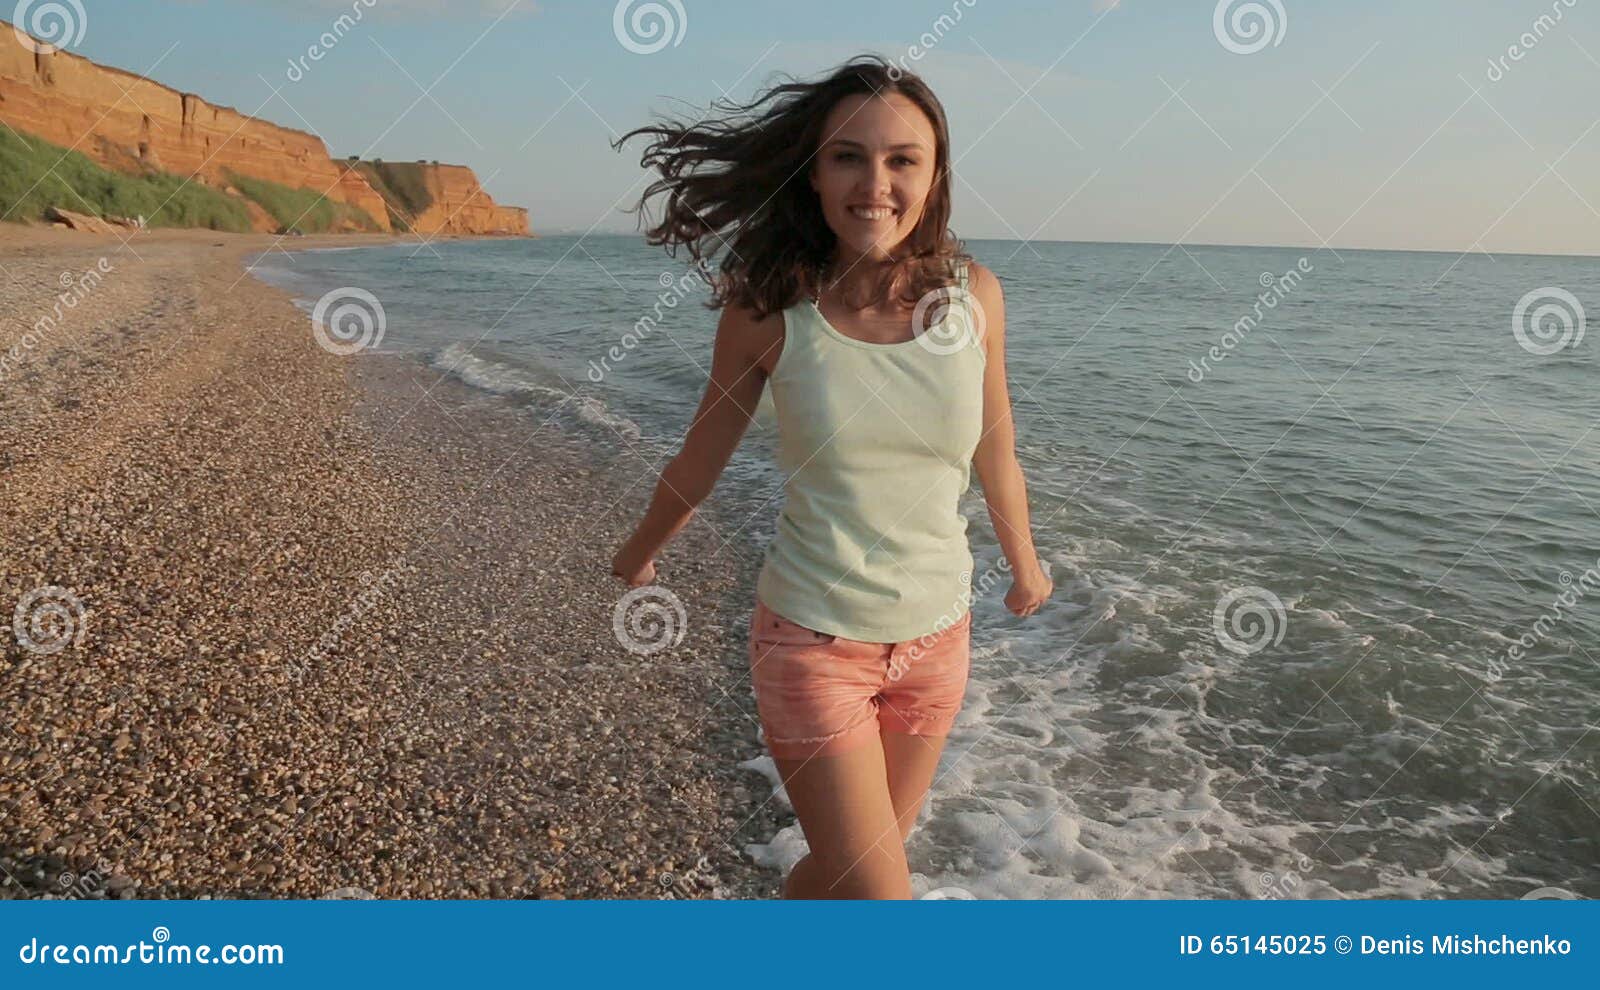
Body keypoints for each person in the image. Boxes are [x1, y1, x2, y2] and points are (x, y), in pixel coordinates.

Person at [610, 54, 1051, 899]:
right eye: (849, 156)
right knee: (879, 893)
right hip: (813, 642)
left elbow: (996, 444)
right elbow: (703, 455)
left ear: (934, 176)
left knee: (850, 874)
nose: (874, 183)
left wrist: (1023, 562)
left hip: (938, 640)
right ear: (812, 174)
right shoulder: (768, 309)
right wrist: (638, 554)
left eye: (902, 160)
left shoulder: (975, 296)